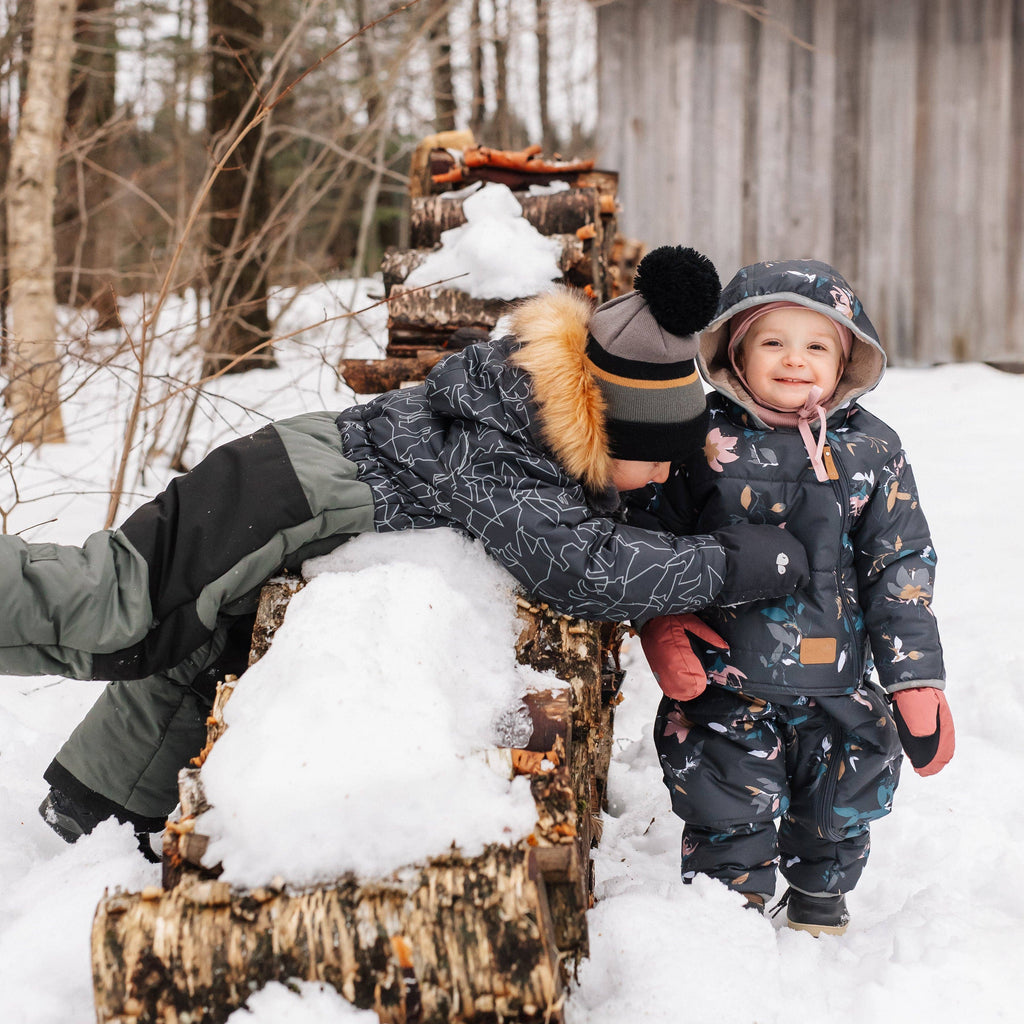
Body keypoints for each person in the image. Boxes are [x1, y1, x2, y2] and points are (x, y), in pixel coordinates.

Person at [0, 246, 811, 852]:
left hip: (287, 470)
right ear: (609, 426)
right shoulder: (511, 458)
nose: (664, 473)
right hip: (277, 497)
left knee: (199, 644)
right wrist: (737, 562)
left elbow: (612, 514)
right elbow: (582, 568)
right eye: (659, 453)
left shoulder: (539, 409)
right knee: (120, 608)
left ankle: (94, 804)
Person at [635, 258, 954, 935]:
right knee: (723, 800)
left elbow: (898, 561)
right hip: (726, 680)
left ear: (848, 359)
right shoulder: (702, 437)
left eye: (817, 345)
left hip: (838, 684)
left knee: (841, 798)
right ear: (736, 352)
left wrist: (914, 678)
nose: (794, 361)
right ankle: (727, 918)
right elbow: (654, 537)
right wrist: (662, 624)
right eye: (772, 342)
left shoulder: (872, 448)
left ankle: (819, 897)